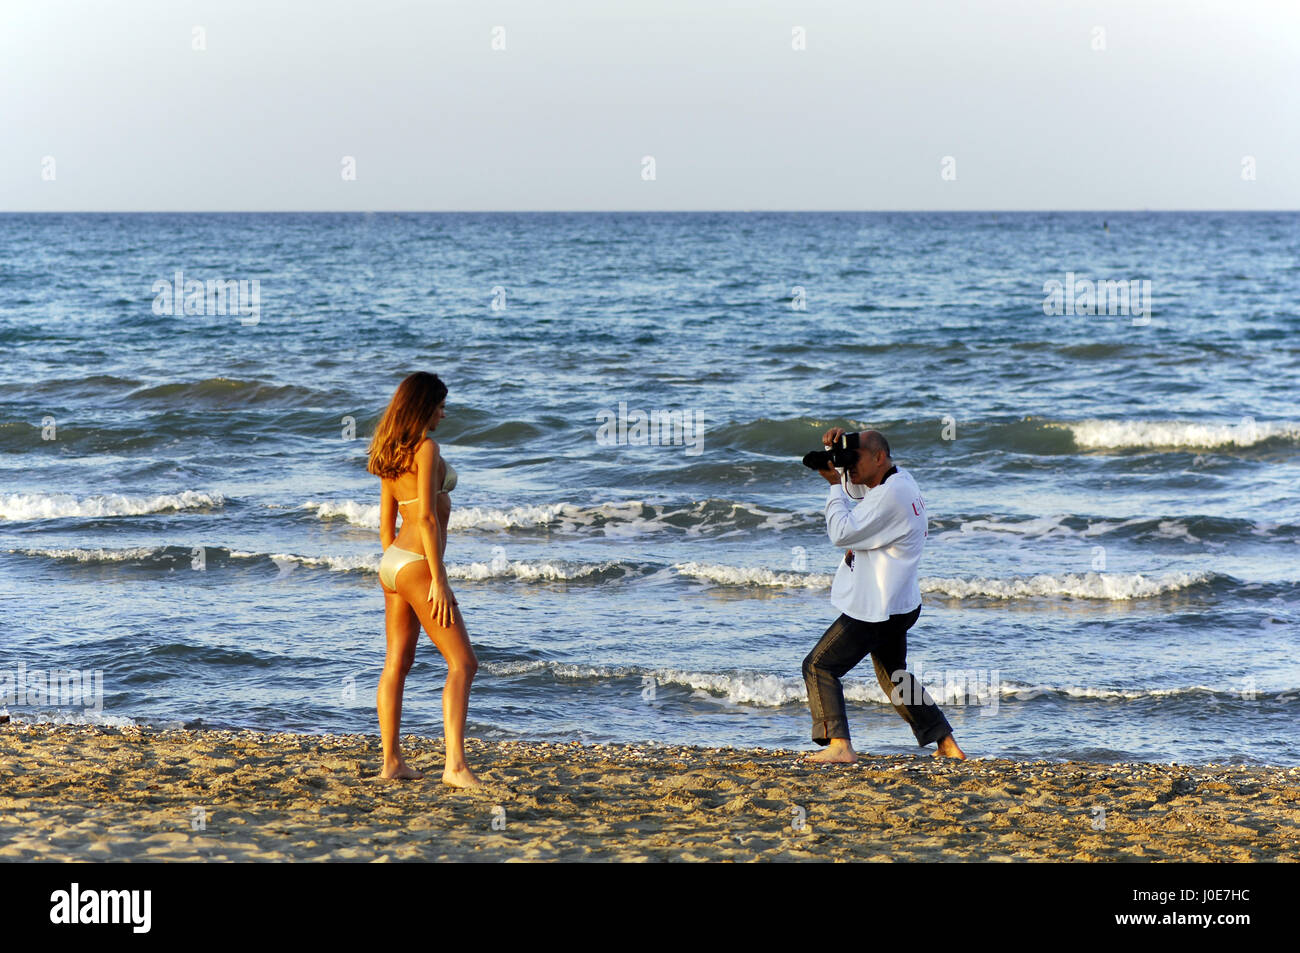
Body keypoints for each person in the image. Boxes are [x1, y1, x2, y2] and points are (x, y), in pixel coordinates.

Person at [801, 427, 966, 763]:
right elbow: (863, 492)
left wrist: (834, 486)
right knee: (896, 678)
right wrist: (839, 455)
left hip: (877, 607)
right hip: (900, 603)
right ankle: (946, 745)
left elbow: (841, 531)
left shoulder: (889, 496)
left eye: (854, 460)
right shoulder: (898, 481)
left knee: (819, 666)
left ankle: (840, 746)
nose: (849, 470)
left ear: (878, 457)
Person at [366, 371, 480, 787]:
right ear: (423, 406)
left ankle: (391, 762)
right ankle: (454, 767)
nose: (444, 414)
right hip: (417, 564)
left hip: (393, 562)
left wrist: (397, 566)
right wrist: (438, 578)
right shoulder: (426, 448)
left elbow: (386, 524)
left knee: (397, 662)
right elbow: (428, 519)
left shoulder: (388, 451)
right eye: (440, 405)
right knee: (463, 663)